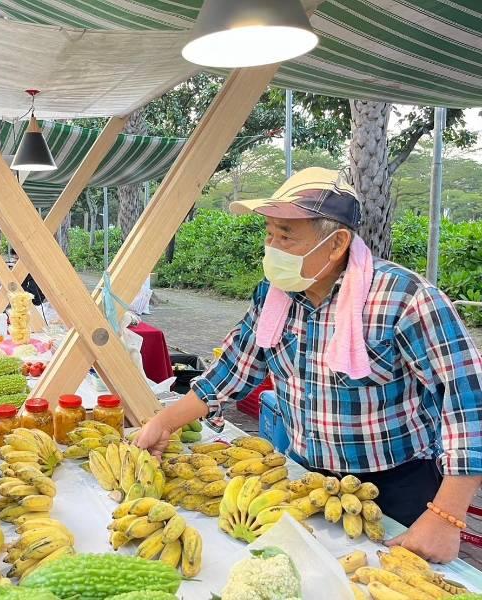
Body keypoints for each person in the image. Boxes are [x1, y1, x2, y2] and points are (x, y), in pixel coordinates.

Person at [137, 168, 482, 564]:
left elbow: (467, 400)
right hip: (307, 480)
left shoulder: (404, 297)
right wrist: (164, 423)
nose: (272, 247)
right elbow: (232, 368)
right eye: (269, 233)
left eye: (285, 235)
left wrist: (446, 516)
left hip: (397, 486)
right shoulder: (276, 295)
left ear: (336, 244)